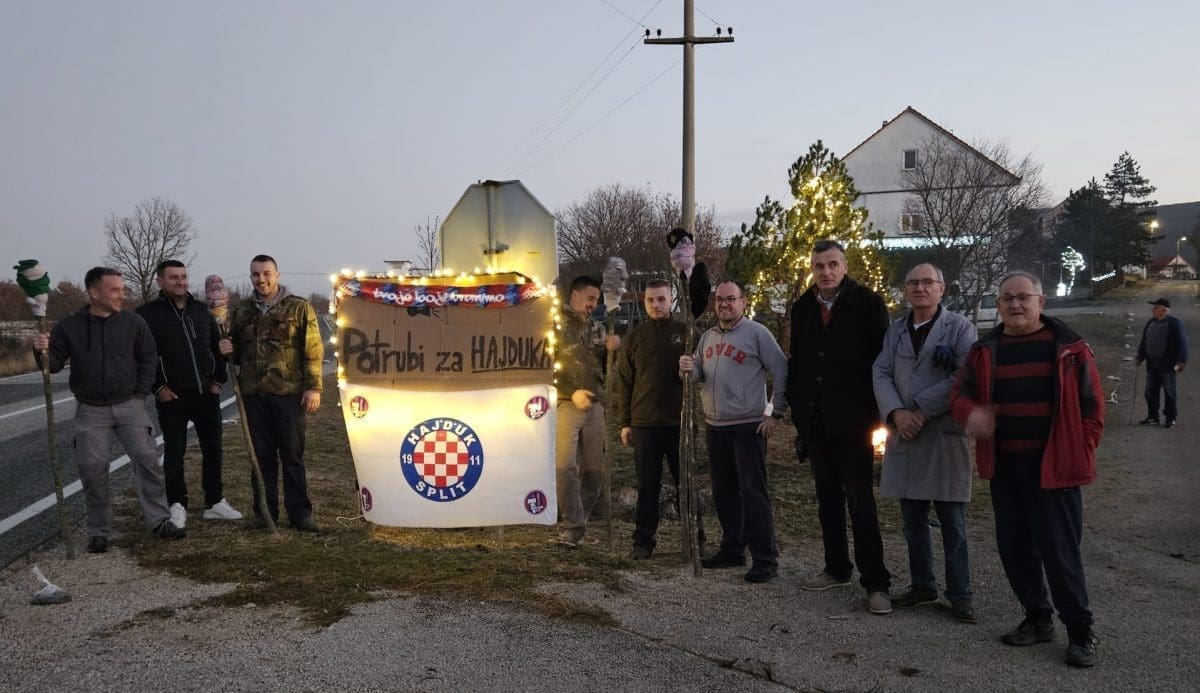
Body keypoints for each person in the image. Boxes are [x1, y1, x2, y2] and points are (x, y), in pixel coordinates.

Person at [951, 270, 1104, 668]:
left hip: (1053, 469)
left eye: (1023, 297)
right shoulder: (985, 350)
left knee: (1059, 552)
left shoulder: (1070, 349)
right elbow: (960, 395)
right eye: (1007, 298)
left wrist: (1081, 446)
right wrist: (972, 415)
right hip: (1006, 467)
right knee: (1015, 549)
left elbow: (1092, 408)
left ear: (1041, 302)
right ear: (998, 305)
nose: (1015, 305)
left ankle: (1080, 630)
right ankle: (1037, 618)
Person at [32, 267, 184, 553]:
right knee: (92, 469)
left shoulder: (133, 323)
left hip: (130, 405)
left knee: (147, 460)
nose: (121, 295)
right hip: (91, 410)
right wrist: (39, 348)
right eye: (115, 290)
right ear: (94, 292)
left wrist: (140, 394)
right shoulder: (69, 326)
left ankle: (159, 520)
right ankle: (99, 531)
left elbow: (149, 357)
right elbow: (50, 366)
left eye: (122, 289)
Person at [786, 239, 892, 614]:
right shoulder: (802, 308)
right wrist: (800, 414)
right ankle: (836, 567)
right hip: (817, 422)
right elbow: (797, 361)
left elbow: (882, 361)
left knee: (860, 502)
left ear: (845, 266)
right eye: (819, 266)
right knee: (827, 499)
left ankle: (876, 582)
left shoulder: (866, 303)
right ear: (812, 269)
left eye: (833, 264)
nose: (826, 272)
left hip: (855, 420)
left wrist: (879, 416)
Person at [872, 263, 979, 623]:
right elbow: (881, 372)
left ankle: (960, 593)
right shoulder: (896, 330)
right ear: (905, 290)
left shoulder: (961, 328)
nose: (920, 288)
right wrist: (896, 412)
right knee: (912, 519)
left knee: (953, 522)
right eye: (913, 283)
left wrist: (919, 409)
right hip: (904, 433)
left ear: (941, 288)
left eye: (927, 282)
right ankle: (922, 585)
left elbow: (965, 375)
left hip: (943, 434)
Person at [679, 279, 787, 583]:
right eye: (719, 300)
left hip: (747, 426)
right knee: (724, 492)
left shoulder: (757, 334)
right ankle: (733, 548)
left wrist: (775, 413)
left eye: (730, 299)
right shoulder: (708, 337)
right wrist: (688, 367)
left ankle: (765, 558)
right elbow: (700, 373)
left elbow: (781, 369)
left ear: (743, 301)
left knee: (753, 493)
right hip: (715, 425)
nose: (724, 305)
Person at [218, 255, 323, 532]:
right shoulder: (242, 311)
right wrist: (227, 349)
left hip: (289, 394)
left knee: (292, 455)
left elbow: (312, 349)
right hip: (254, 396)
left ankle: (300, 514)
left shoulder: (299, 307)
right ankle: (266, 513)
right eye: (255, 274)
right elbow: (237, 354)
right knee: (261, 457)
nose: (261, 279)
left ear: (277, 275)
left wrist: (313, 387)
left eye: (266, 273)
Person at [136, 260, 242, 528]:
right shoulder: (148, 315)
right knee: (175, 451)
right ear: (160, 281)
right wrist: (158, 388)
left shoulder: (202, 312)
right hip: (173, 397)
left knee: (213, 449)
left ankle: (214, 501)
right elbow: (142, 357)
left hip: (206, 394)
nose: (180, 282)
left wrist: (218, 381)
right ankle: (177, 504)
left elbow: (216, 349)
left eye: (183, 277)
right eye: (173, 277)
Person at [613, 279, 703, 559]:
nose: (656, 305)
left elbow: (704, 372)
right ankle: (643, 542)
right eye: (651, 300)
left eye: (661, 299)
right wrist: (625, 422)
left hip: (680, 423)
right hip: (644, 424)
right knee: (647, 486)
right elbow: (625, 382)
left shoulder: (688, 333)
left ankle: (695, 539)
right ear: (645, 302)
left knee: (685, 484)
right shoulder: (635, 338)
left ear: (671, 299)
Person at [554, 275, 620, 547]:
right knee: (565, 466)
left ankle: (581, 517)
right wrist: (571, 392)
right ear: (575, 296)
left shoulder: (597, 328)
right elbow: (545, 363)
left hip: (594, 404)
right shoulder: (555, 325)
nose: (595, 304)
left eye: (598, 300)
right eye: (591, 298)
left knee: (594, 467)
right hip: (565, 403)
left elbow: (604, 367)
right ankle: (573, 525)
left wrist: (610, 350)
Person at [1136, 297, 1188, 428]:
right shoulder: (1151, 322)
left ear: (1163, 310)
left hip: (1168, 365)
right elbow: (1145, 341)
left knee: (1169, 392)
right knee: (1150, 392)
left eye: (1156, 307)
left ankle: (1170, 418)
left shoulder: (1174, 323)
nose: (1153, 310)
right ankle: (1153, 416)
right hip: (1152, 364)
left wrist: (1182, 361)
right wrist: (1140, 356)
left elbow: (1182, 343)